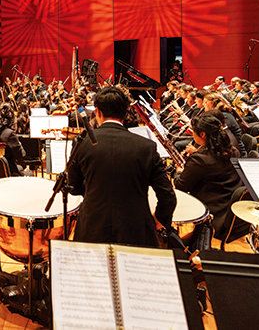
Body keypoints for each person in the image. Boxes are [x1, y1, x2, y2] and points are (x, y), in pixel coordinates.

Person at [68, 86, 176, 246]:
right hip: (136, 230)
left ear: (97, 111)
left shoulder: (82, 143)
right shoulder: (147, 147)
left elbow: (74, 187)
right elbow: (168, 196)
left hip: (92, 228)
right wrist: (159, 220)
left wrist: (98, 187)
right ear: (125, 112)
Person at [174, 114, 243, 240]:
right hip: (231, 207)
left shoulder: (199, 160)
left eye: (193, 132)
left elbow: (180, 186)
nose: (192, 135)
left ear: (202, 135)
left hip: (211, 211)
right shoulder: (233, 150)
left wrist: (179, 171)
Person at [0, 103, 27, 176]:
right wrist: (19, 143)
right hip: (8, 171)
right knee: (29, 174)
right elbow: (21, 155)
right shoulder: (10, 134)